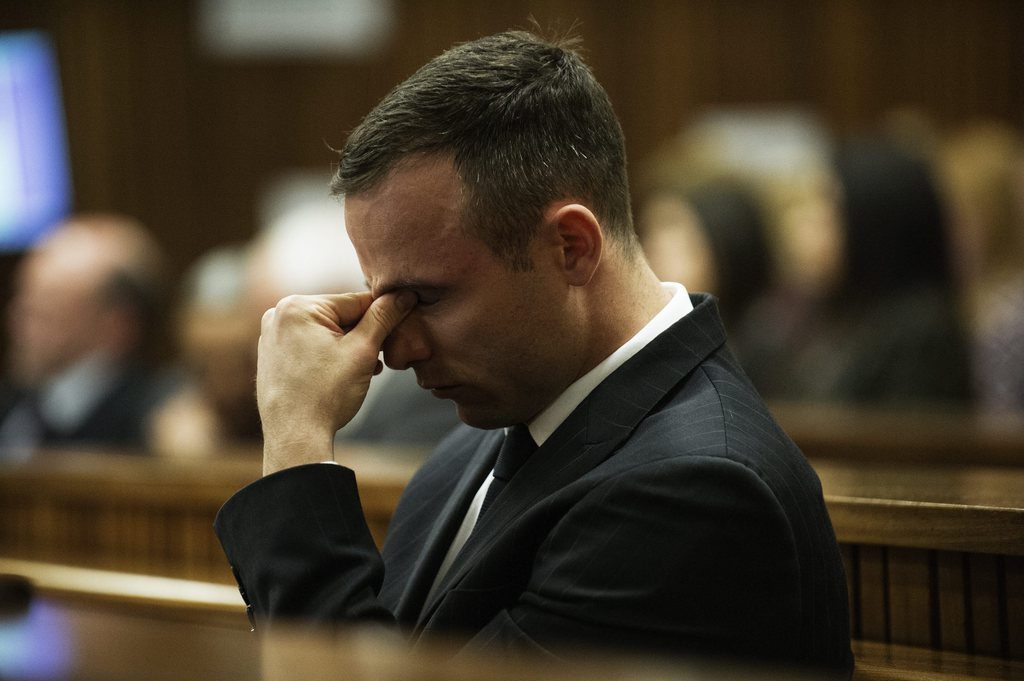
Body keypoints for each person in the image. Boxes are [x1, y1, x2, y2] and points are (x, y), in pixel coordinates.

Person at [214, 31, 852, 676]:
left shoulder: (697, 489)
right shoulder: (479, 444)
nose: (397, 349)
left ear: (571, 246)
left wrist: (296, 444)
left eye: (425, 297)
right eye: (383, 299)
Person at [0, 213, 172, 458]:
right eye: (23, 302)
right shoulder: (16, 404)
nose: (16, 320)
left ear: (117, 326)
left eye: (46, 308)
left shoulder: (153, 423)